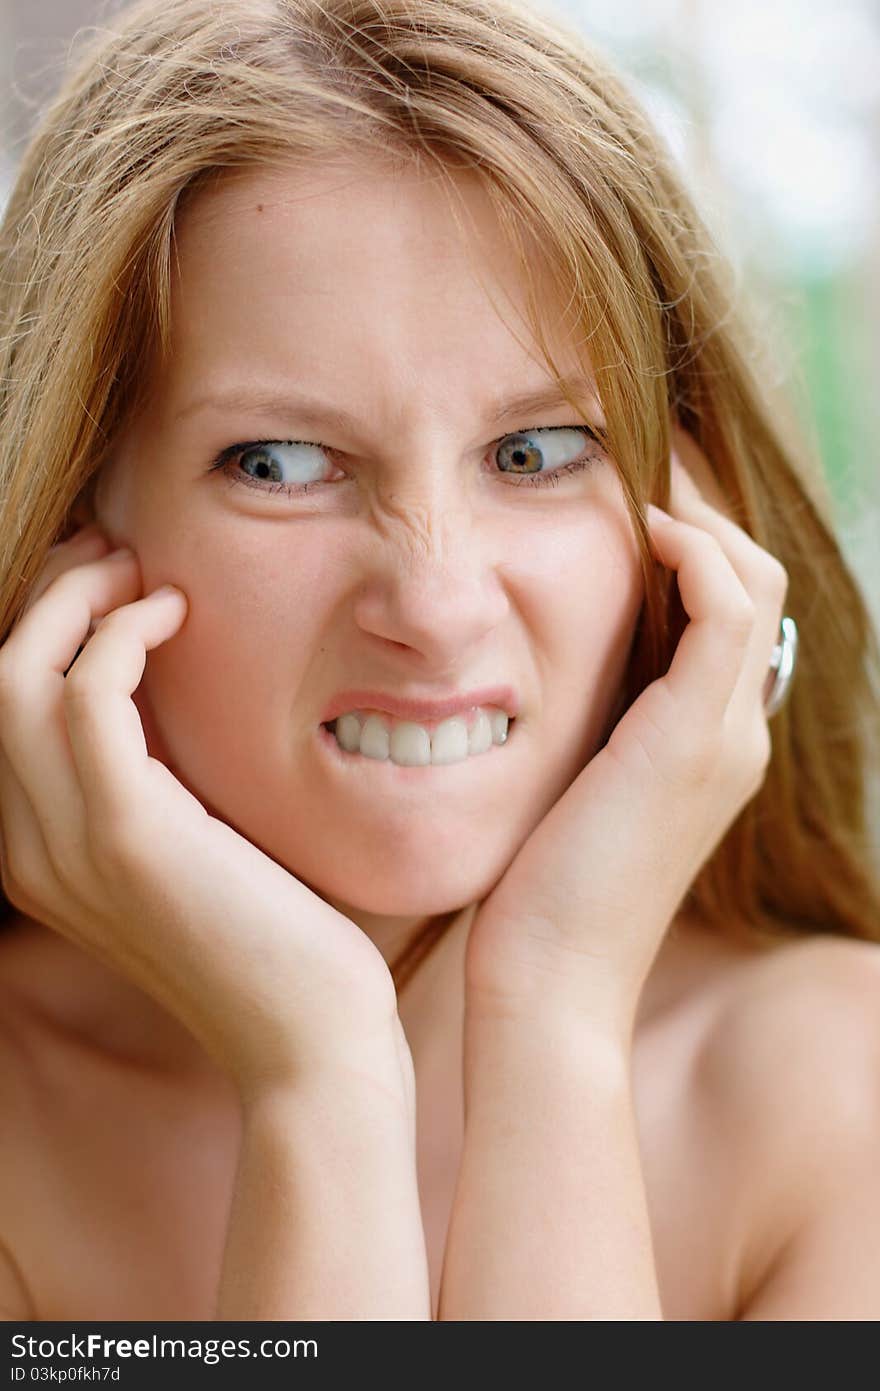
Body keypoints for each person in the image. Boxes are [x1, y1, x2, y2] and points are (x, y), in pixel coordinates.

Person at [0, 0, 878, 1323]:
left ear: (690, 523)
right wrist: (321, 1078)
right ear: (76, 530)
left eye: (534, 453)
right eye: (281, 464)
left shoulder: (841, 1089)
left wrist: (556, 1017)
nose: (437, 605)